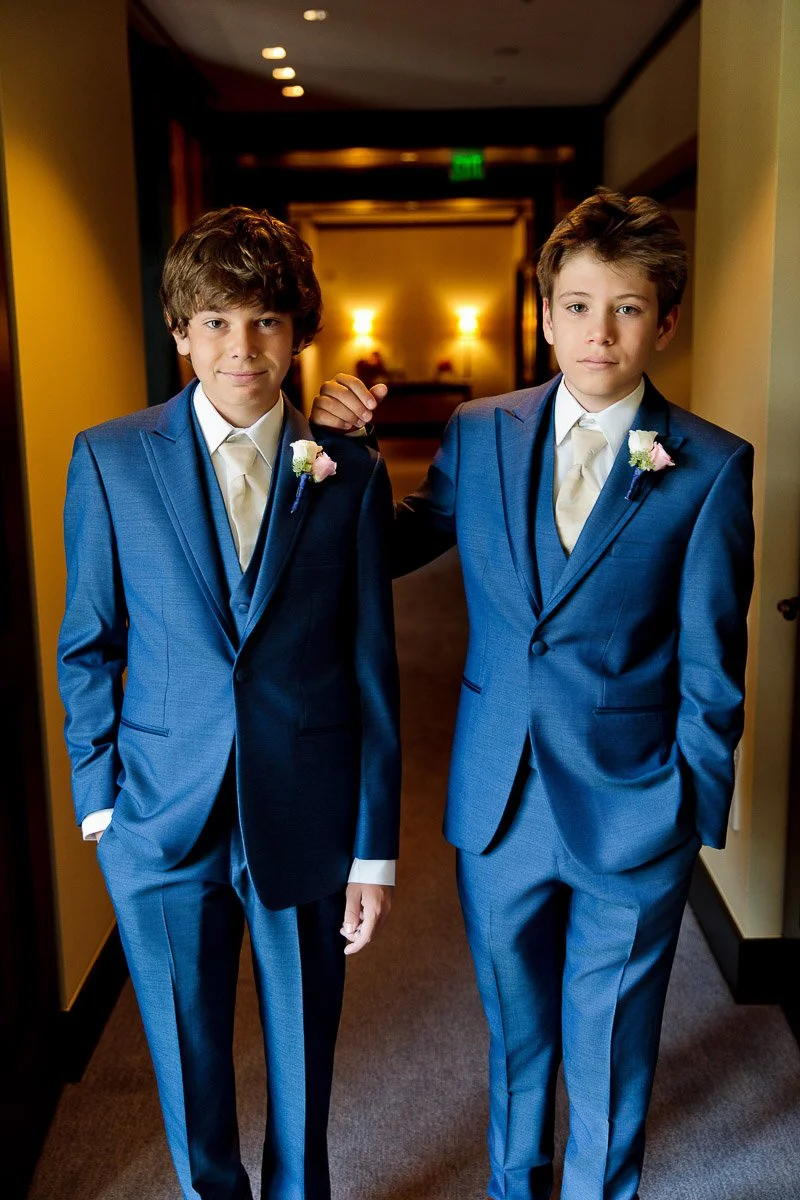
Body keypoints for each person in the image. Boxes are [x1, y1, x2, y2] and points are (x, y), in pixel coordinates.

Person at [311, 188, 754, 1200]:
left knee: (610, 1039)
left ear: (664, 323)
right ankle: (516, 1184)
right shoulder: (479, 431)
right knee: (515, 1034)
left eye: (628, 308)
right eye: (579, 305)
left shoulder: (709, 467)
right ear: (546, 313)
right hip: (497, 793)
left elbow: (711, 663)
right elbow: (389, 548)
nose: (600, 331)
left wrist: (690, 807)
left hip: (635, 801)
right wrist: (341, 457)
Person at [57, 206, 401, 1200]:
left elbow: (372, 669)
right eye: (214, 321)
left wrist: (372, 847)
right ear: (180, 332)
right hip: (158, 814)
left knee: (303, 1049)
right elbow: (88, 642)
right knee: (186, 1054)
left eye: (264, 321)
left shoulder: (346, 472)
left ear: (297, 334)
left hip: (305, 806)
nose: (240, 346)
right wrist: (100, 799)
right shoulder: (111, 458)